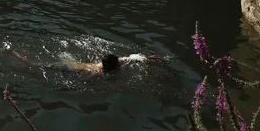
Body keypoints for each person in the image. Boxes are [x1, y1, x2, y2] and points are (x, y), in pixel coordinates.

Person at [8, 50, 160, 78]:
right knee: (34, 65)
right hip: (68, 69)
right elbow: (85, 81)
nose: (121, 61)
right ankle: (12, 52)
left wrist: (149, 57)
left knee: (38, 64)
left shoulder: (116, 63)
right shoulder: (99, 73)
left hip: (74, 65)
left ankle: (11, 52)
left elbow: (133, 58)